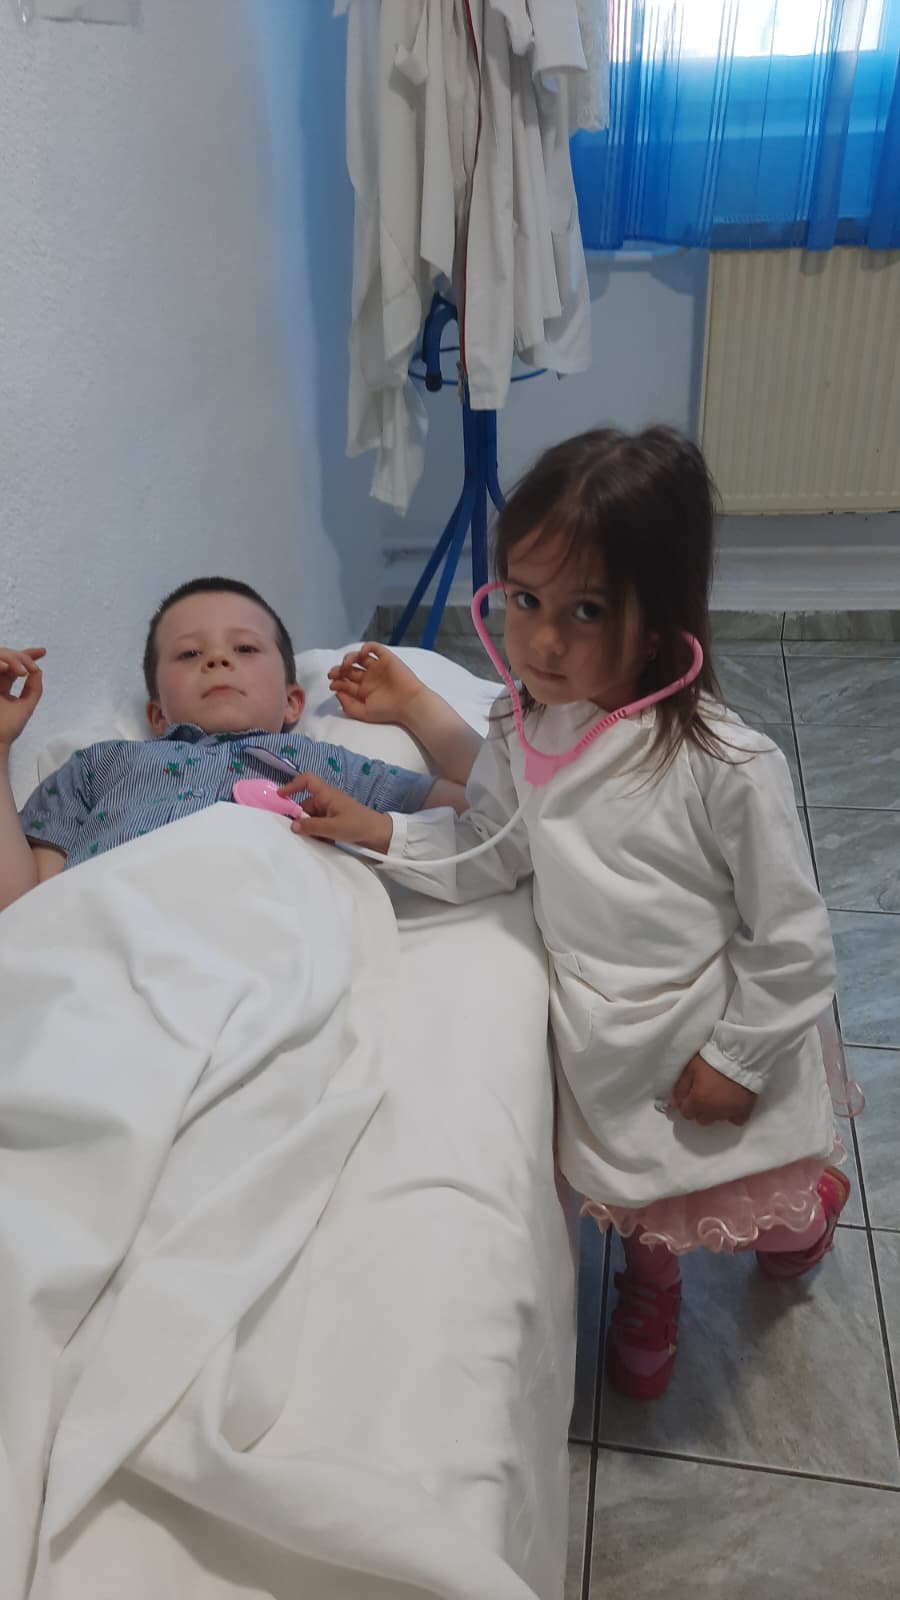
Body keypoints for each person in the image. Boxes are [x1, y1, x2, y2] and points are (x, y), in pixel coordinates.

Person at [276, 427, 851, 1400]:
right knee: (644, 1193)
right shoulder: (519, 724)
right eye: (525, 599)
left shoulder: (727, 764)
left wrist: (741, 1058)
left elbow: (793, 940)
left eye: (586, 610)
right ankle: (652, 1285)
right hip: (610, 1039)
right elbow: (496, 846)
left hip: (710, 1025)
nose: (543, 641)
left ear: (659, 617)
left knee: (759, 1188)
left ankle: (807, 1220)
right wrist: (379, 830)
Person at [0, 576, 471, 915]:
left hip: (266, 939)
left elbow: (483, 807)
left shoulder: (323, 767)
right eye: (189, 653)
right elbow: (23, 911)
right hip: (107, 935)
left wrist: (416, 706)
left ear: (292, 701)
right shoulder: (100, 766)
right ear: (157, 715)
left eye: (245, 648)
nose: (217, 659)